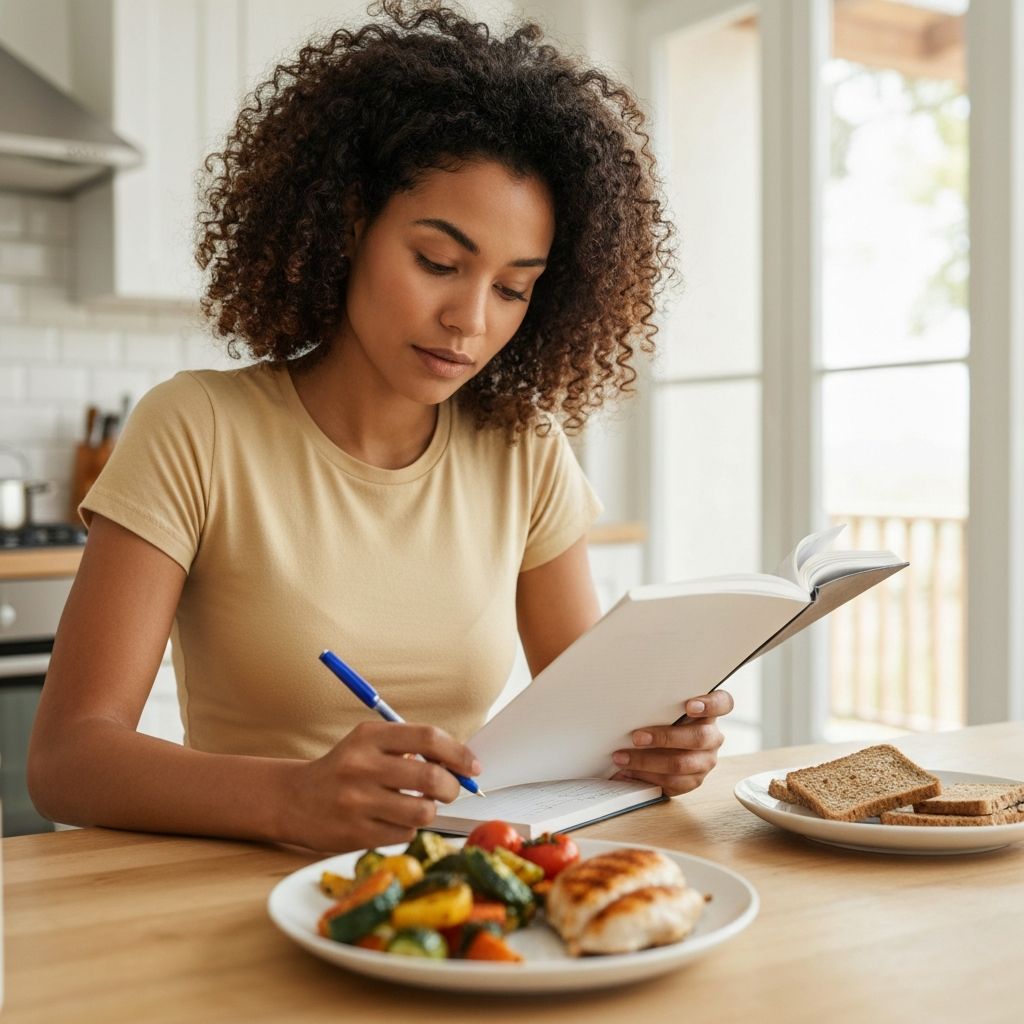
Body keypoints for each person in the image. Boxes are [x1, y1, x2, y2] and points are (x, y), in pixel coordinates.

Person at [28, 0, 734, 854]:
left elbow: (591, 729)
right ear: (346, 226)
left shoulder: (524, 450)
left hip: (451, 901)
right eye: (438, 262)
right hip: (232, 907)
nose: (469, 318)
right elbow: (67, 759)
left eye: (513, 288)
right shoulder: (196, 428)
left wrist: (656, 749)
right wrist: (292, 798)